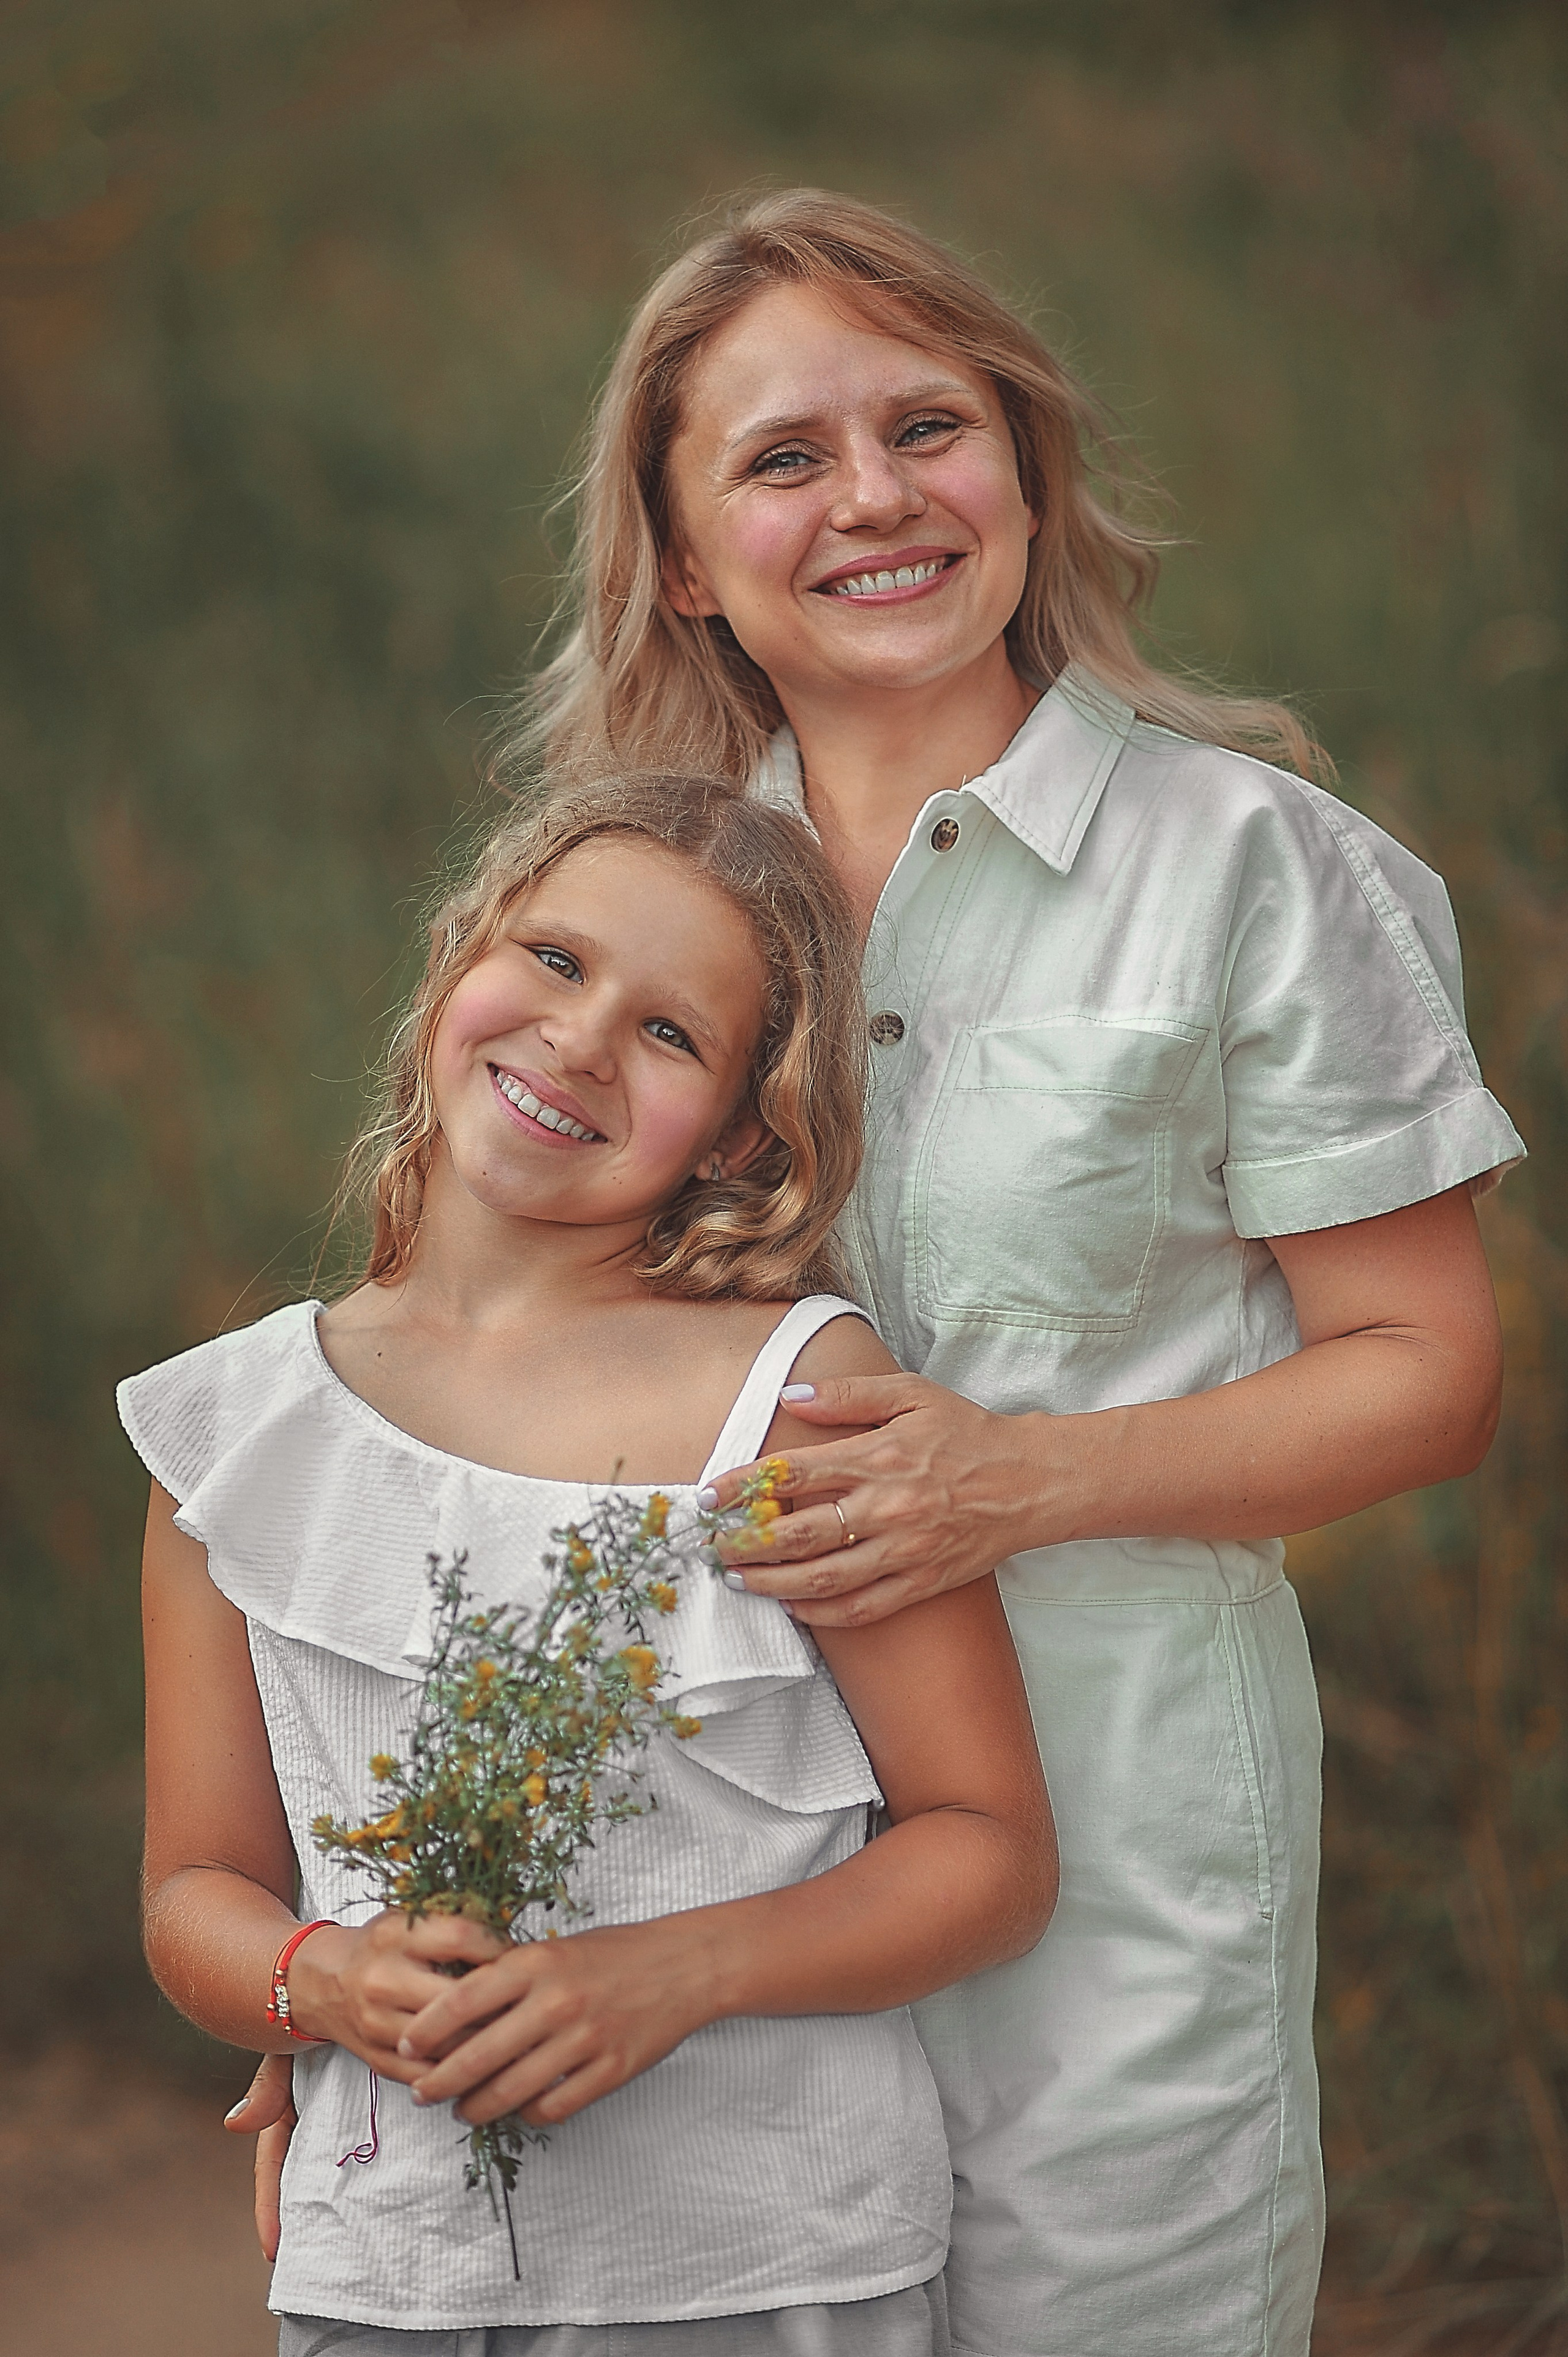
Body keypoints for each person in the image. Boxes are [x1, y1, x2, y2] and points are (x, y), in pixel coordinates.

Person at [475, 190, 1520, 2357]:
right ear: (686, 559)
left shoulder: (1253, 868)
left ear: (1025, 472)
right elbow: (479, 1369)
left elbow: (1425, 1366)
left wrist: (1015, 1480)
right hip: (692, 1843)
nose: (875, 497)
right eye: (784, 457)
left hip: (1118, 1859)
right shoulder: (627, 911)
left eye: (929, 427)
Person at [122, 774, 1056, 2356]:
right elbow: (192, 1895)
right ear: (459, 958)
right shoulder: (236, 1431)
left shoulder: (795, 1400)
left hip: (762, 2273)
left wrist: (670, 1973)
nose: (579, 1039)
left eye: (670, 1033)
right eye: (554, 960)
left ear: (746, 1129)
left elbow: (992, 1852)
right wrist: (325, 1981)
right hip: (387, 2280)